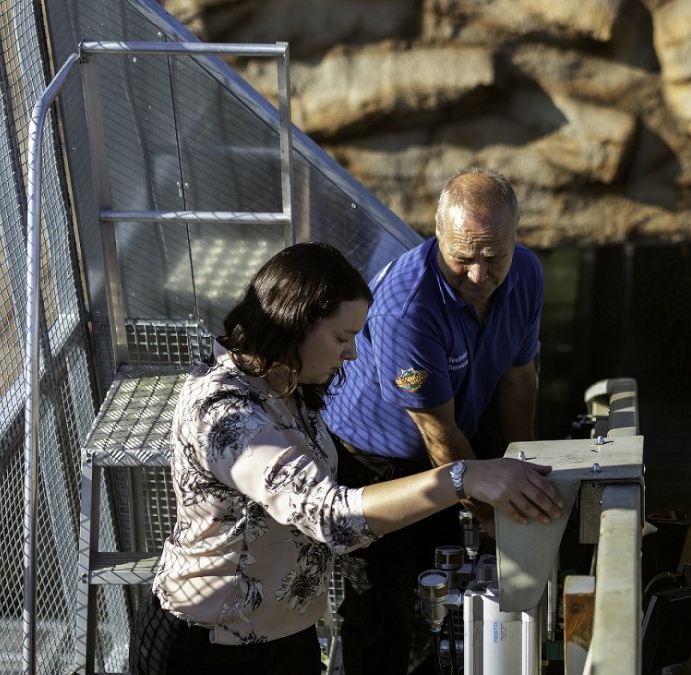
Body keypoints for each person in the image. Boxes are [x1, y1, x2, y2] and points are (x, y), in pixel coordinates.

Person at [128, 241, 561, 675]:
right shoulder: (223, 414)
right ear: (294, 323)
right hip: (209, 643)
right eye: (342, 337)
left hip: (284, 635)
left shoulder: (285, 384)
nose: (352, 353)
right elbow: (329, 516)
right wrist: (463, 477)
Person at [322, 167, 544, 674]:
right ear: (437, 233)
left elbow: (518, 381)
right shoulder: (407, 307)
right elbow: (436, 432)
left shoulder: (527, 274)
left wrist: (526, 472)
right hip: (376, 457)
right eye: (463, 258)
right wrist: (498, 521)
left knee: (439, 585)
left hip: (457, 427)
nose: (478, 276)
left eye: (494, 258)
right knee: (382, 601)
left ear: (515, 238)